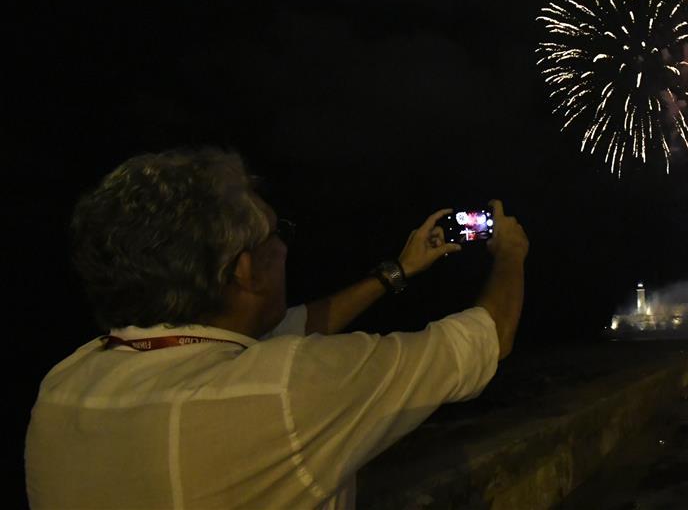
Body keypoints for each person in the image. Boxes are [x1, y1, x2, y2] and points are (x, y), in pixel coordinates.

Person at [25, 148, 528, 509]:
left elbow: (301, 325)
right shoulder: (287, 391)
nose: (285, 249)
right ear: (244, 270)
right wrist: (510, 255)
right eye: (276, 235)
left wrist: (397, 271)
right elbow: (488, 338)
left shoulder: (62, 386)